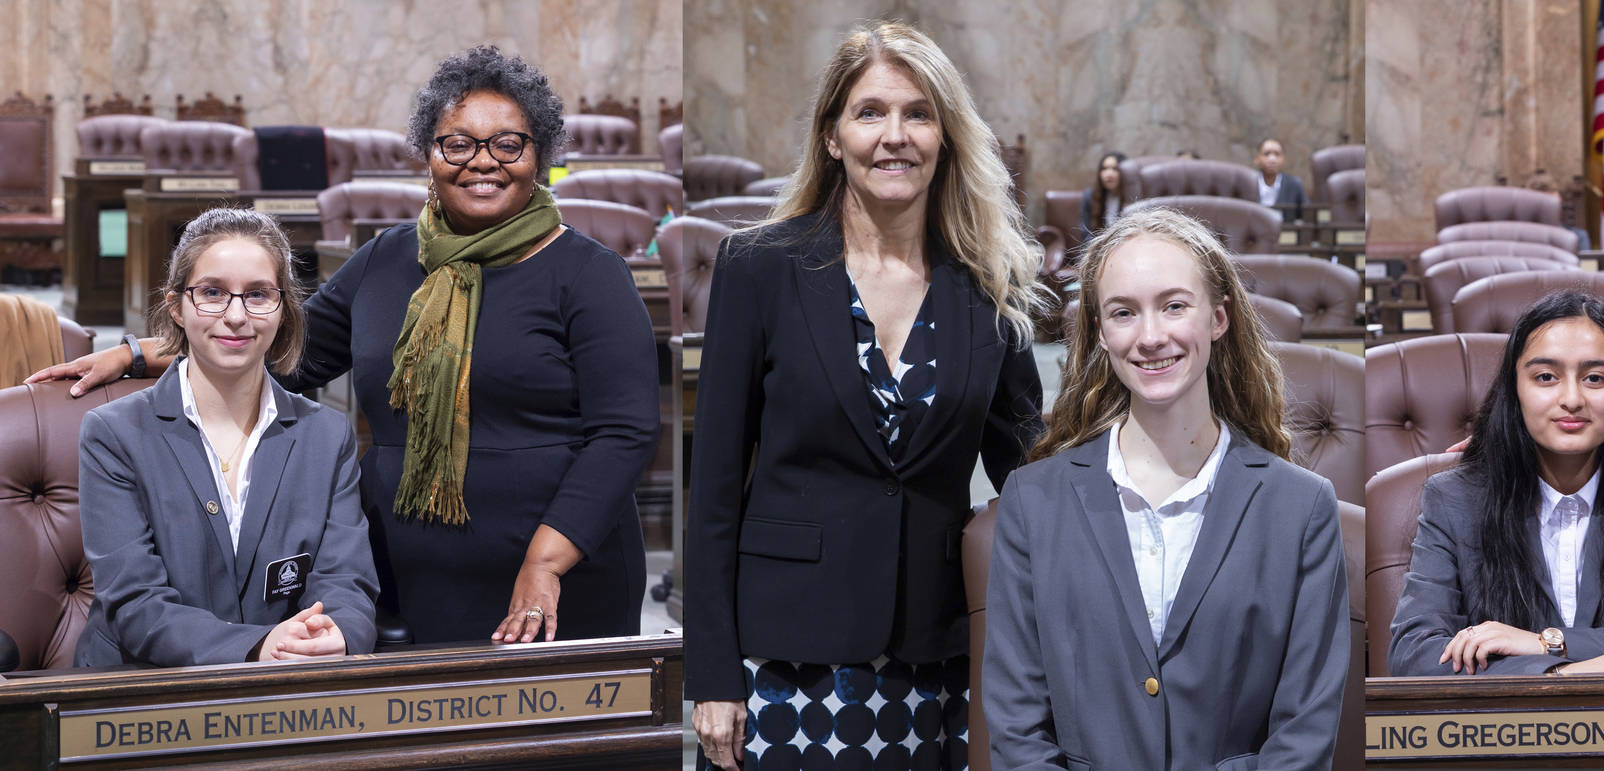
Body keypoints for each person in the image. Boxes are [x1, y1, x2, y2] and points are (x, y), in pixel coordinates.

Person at [33, 46, 658, 648]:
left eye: (507, 144)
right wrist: (140, 354)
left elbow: (624, 434)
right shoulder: (387, 259)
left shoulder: (589, 274)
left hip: (556, 581)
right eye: (458, 143)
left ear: (539, 153)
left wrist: (546, 563)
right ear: (429, 153)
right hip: (410, 578)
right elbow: (282, 348)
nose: (482, 161)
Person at [683, 21, 1046, 771]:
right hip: (781, 662)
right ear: (832, 136)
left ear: (946, 136)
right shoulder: (759, 268)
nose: (895, 136)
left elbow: (1032, 476)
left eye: (918, 113)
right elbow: (714, 486)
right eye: (870, 112)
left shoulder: (988, 287)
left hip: (933, 656)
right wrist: (712, 672)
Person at [982, 208, 1348, 769]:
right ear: (1100, 333)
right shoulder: (1032, 500)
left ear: (1218, 319)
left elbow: (1303, 736)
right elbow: (1017, 727)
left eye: (1174, 305)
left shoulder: (1303, 508)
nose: (1151, 337)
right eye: (1124, 313)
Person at [74, 207, 378, 667]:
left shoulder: (326, 433)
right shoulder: (112, 433)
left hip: (288, 689)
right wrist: (257, 646)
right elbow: (135, 603)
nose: (236, 316)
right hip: (140, 694)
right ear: (176, 306)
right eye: (212, 293)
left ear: (284, 310)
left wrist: (337, 632)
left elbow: (347, 581)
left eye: (258, 295)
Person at [1388, 290, 1604, 677]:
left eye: (1595, 378)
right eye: (1546, 377)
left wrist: (1548, 643)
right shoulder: (1455, 498)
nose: (1572, 398)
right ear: (1514, 389)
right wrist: (1551, 675)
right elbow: (1414, 655)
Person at [1254, 137, 1308, 221]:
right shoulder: (1248, 183)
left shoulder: (1294, 184)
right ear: (1257, 159)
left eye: (1277, 154)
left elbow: (1307, 216)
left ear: (1283, 159)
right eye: (1266, 154)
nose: (1272, 159)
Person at [1079, 150, 1126, 239]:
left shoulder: (1132, 196)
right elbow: (1086, 233)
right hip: (1097, 247)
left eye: (1115, 169)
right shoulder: (1089, 196)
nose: (1109, 174)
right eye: (1104, 169)